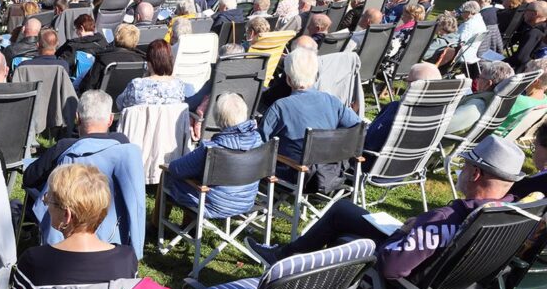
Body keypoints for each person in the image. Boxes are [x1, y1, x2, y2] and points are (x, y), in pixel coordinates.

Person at [249, 135, 526, 281]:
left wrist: (410, 232)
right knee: (344, 210)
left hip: (407, 277)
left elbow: (390, 267)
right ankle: (288, 257)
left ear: (476, 173)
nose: (462, 171)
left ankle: (289, 264)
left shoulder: (443, 221)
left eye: (465, 165)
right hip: (456, 280)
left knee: (342, 226)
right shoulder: (514, 213)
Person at [6, 163, 138, 289]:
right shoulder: (126, 260)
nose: (45, 202)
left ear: (66, 215)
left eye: (49, 199)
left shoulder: (34, 262)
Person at [260, 46, 360, 176]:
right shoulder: (332, 101)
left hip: (293, 171)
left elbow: (260, 142)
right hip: (330, 169)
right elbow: (357, 127)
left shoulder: (280, 107)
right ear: (315, 75)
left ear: (288, 79)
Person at [163, 92, 263, 219]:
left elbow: (176, 169)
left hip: (214, 205)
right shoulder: (258, 141)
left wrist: (168, 165)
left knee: (168, 176)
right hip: (246, 201)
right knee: (198, 177)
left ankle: (157, 227)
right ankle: (189, 230)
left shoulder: (212, 149)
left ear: (217, 118)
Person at [23, 89, 129, 191]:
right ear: (110, 119)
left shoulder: (64, 148)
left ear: (77, 118)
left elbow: (29, 178)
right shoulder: (122, 142)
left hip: (70, 206)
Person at [364, 62, 442, 153]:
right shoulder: (437, 115)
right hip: (407, 165)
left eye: (407, 81)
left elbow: (370, 143)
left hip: (365, 160)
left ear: (414, 85)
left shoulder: (397, 110)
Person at [446, 61, 514, 135]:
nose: (476, 80)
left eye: (479, 77)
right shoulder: (496, 100)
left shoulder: (476, 106)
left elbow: (443, 127)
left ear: (488, 83)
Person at [115, 40, 185, 109]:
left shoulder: (136, 85)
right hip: (169, 120)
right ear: (169, 60)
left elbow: (120, 104)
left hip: (143, 120)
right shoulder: (178, 85)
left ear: (149, 62)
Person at [81, 24, 143, 94]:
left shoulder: (104, 59)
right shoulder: (141, 61)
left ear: (116, 37)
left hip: (103, 101)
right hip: (128, 101)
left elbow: (88, 87)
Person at [496, 58, 547, 136]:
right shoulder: (544, 102)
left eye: (526, 72)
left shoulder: (518, 101)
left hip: (490, 137)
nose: (522, 74)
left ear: (534, 81)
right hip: (509, 138)